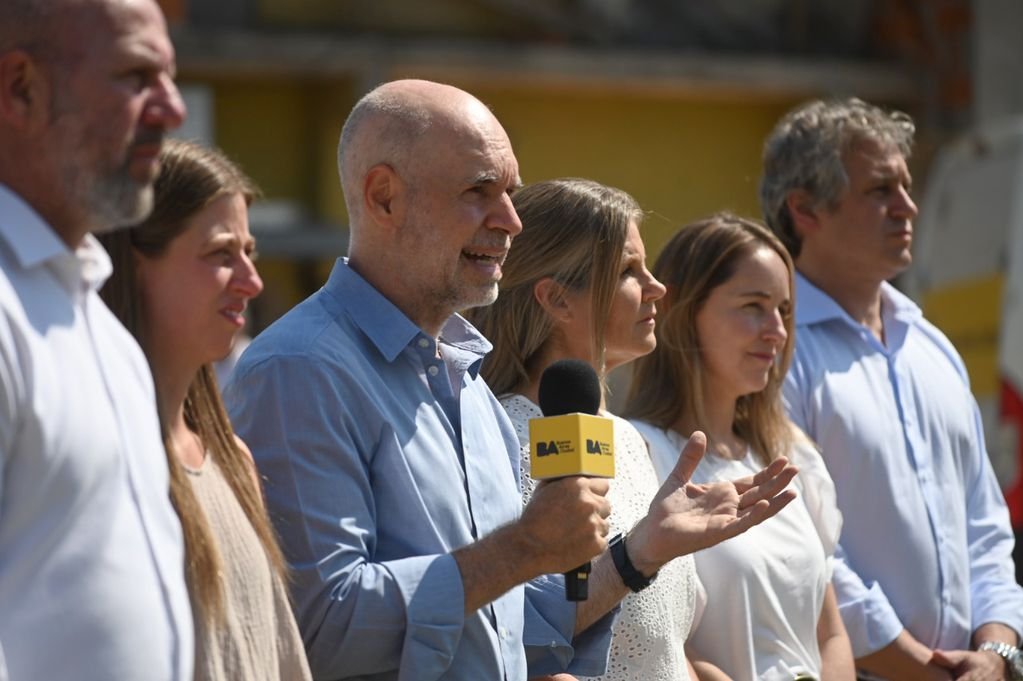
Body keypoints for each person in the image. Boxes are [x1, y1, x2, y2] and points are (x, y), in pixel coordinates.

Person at [224, 79, 798, 681]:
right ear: (384, 197)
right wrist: (524, 546)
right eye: (479, 191)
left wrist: (639, 552)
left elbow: (511, 624)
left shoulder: (467, 385)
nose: (511, 221)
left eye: (512, 193)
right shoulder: (301, 370)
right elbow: (317, 631)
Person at [468, 180, 801, 681]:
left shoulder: (625, 438)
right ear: (557, 299)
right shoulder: (500, 440)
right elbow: (510, 642)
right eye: (628, 270)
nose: (657, 287)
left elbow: (659, 646)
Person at [760, 97, 1023, 680]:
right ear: (805, 209)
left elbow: (985, 523)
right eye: (880, 190)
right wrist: (926, 670)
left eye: (906, 186)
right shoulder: (774, 356)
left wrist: (998, 652)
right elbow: (804, 547)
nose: (908, 207)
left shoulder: (932, 347)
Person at [0, 0, 192, 679]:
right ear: (21, 87)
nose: (172, 110)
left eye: (169, 77)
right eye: (137, 76)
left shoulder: (94, 318)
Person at [98, 139, 313, 681]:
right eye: (221, 254)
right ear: (135, 261)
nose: (252, 281)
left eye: (250, 252)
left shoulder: (233, 461)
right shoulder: (97, 463)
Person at [624, 213, 855, 681]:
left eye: (784, 311)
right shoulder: (638, 454)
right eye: (754, 305)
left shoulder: (789, 455)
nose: (777, 330)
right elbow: (650, 642)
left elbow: (831, 635)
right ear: (686, 314)